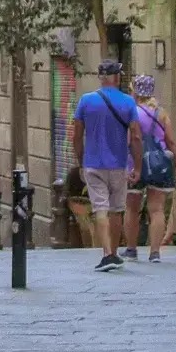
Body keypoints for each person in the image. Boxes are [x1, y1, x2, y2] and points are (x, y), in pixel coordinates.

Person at [71, 60, 143, 272]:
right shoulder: (128, 102)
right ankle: (113, 251)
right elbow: (136, 137)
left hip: (93, 163)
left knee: (100, 207)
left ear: (101, 77)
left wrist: (81, 160)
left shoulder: (85, 101)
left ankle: (107, 253)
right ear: (117, 77)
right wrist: (137, 166)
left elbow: (76, 135)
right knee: (117, 209)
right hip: (118, 165)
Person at [121, 74, 176, 263]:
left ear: (135, 92)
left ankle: (131, 249)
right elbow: (171, 141)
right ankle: (155, 252)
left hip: (135, 164)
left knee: (131, 208)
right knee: (156, 210)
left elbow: (128, 141)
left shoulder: (131, 113)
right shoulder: (161, 114)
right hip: (159, 165)